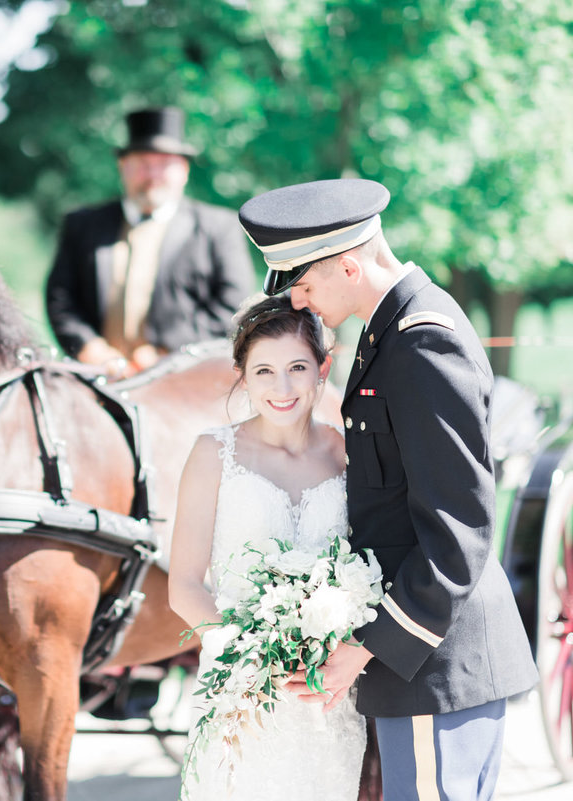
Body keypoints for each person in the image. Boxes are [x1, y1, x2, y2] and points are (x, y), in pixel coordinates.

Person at [239, 178, 538, 800]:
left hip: (438, 665)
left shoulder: (421, 341)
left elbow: (458, 534)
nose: (298, 300)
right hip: (426, 665)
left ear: (348, 264)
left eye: (304, 281)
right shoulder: (391, 333)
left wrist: (366, 647)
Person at [168, 294, 366, 801]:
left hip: (328, 691)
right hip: (241, 688)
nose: (282, 388)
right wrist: (249, 654)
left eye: (297, 367)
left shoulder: (350, 452)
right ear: (242, 374)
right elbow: (184, 584)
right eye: (263, 372)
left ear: (323, 368)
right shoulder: (213, 453)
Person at [45, 107, 256, 374]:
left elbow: (233, 304)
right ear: (123, 167)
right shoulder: (82, 224)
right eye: (143, 164)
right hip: (99, 378)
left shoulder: (218, 227)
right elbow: (60, 297)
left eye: (164, 164)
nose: (152, 175)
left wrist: (167, 350)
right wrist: (88, 347)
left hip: (185, 379)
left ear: (184, 170)